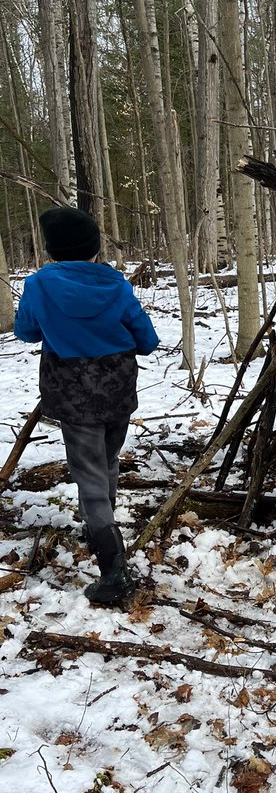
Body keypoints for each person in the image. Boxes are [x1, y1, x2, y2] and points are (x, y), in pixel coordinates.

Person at [14, 206, 159, 605]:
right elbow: (146, 340)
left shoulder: (40, 284)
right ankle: (102, 525)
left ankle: (113, 572)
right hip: (117, 386)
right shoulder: (116, 283)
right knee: (108, 460)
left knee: (89, 471)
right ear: (95, 247)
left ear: (52, 250)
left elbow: (25, 330)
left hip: (72, 389)